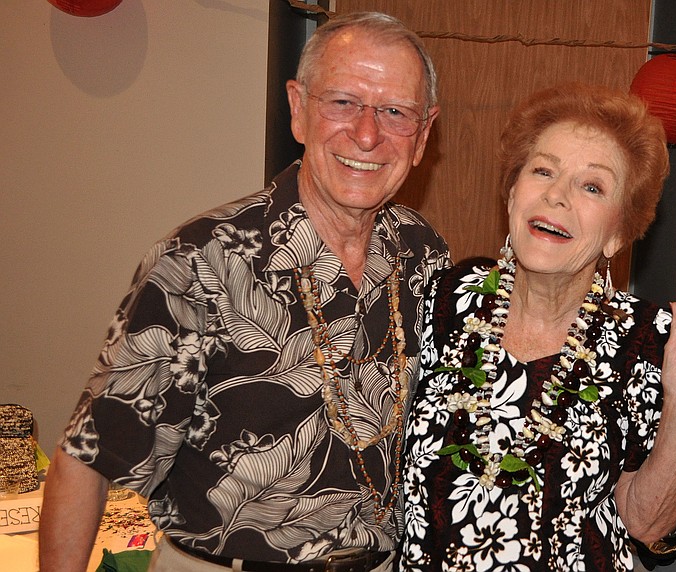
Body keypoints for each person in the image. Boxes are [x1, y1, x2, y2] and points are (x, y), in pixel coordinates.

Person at [39, 12, 450, 572]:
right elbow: (90, 457)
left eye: (395, 112)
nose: (368, 134)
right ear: (298, 107)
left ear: (424, 134)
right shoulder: (202, 260)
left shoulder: (424, 256)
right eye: (343, 102)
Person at [400, 83, 676, 571]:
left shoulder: (648, 341)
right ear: (511, 196)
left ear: (616, 234)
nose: (556, 194)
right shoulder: (445, 298)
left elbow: (647, 526)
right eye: (542, 170)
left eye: (592, 186)